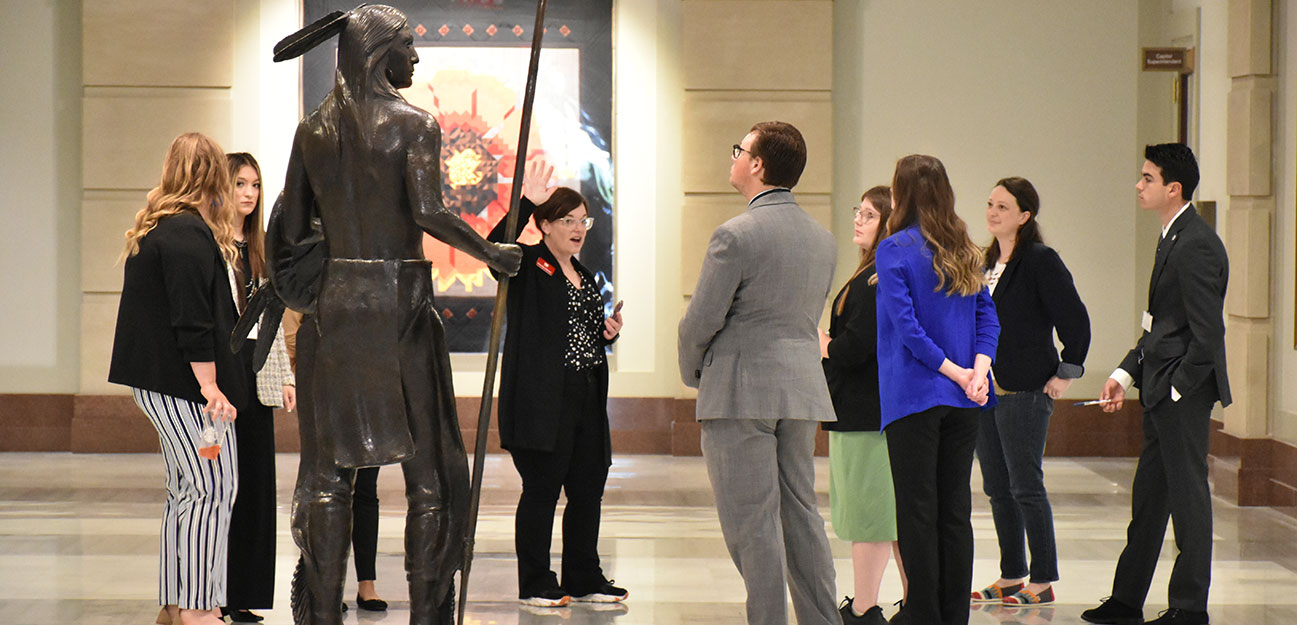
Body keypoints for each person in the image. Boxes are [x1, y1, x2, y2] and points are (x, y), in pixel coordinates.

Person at [266, 6, 523, 625]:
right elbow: (429, 212)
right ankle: (428, 617)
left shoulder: (314, 130)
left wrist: (321, 281)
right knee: (427, 472)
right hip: (399, 306)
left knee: (329, 474)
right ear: (381, 53)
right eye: (409, 45)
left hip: (335, 307)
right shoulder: (414, 124)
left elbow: (290, 230)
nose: (417, 58)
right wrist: (492, 250)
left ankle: (321, 615)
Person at [678, 121, 839, 625]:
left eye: (739, 150)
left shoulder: (736, 234)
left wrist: (692, 371)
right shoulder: (822, 239)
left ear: (758, 165)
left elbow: (703, 319)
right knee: (800, 516)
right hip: (800, 388)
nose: (734, 157)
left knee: (752, 525)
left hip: (740, 390)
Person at [1082, 144, 1230, 625]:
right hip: (1161, 387)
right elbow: (1159, 325)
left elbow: (1207, 335)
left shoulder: (1197, 243)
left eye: (1147, 178)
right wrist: (1126, 373)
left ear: (1174, 188)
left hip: (1180, 394)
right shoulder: (1171, 237)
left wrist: (1176, 388)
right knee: (1149, 498)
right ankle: (1127, 600)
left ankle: (1190, 607)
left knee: (1189, 499)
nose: (1138, 185)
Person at [108, 132, 247, 625]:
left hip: (162, 384)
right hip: (185, 387)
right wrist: (210, 387)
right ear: (213, 176)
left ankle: (176, 603)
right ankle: (198, 607)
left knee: (186, 491)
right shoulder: (188, 234)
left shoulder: (161, 228)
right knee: (213, 487)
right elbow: (193, 320)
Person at [488, 159, 626, 607]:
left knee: (588, 486)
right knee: (543, 489)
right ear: (543, 225)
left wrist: (607, 331)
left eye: (582, 219)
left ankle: (583, 576)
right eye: (567, 219)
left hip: (585, 395)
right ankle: (535, 582)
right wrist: (525, 199)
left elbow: (578, 333)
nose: (578, 227)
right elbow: (494, 247)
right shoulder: (527, 263)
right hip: (542, 399)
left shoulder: (585, 277)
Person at [875, 154, 999, 625]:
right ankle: (953, 614)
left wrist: (956, 371)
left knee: (917, 510)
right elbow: (988, 316)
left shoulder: (894, 249)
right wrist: (977, 371)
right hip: (965, 398)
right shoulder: (965, 246)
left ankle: (922, 612)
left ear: (899, 194)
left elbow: (907, 329)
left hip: (914, 396)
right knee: (954, 511)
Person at [970, 177, 1090, 607]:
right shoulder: (984, 263)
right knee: (997, 487)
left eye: (1003, 207)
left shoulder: (1040, 260)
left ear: (1025, 215)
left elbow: (1074, 319)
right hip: (986, 390)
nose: (992, 213)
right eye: (989, 204)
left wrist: (1066, 372)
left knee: (1026, 486)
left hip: (1026, 389)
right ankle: (1011, 573)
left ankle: (1042, 578)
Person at [820, 186, 907, 625]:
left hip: (866, 412)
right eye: (859, 211)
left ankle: (863, 608)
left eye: (869, 215)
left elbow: (858, 346)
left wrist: (822, 343)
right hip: (867, 411)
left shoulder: (877, 278)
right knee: (887, 517)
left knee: (869, 516)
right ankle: (912, 603)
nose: (858, 219)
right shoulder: (872, 271)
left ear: (888, 223)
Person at [220, 152, 296, 624]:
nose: (248, 194)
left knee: (256, 485)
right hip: (222, 373)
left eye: (254, 185)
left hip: (256, 370)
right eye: (240, 184)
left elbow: (270, 321)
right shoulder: (211, 244)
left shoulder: (258, 249)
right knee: (222, 486)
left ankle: (245, 594)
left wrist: (284, 375)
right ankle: (214, 592)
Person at [279, 313, 387, 614]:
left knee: (366, 489)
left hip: (370, 385)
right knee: (326, 490)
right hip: (324, 386)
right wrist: (300, 372)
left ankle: (367, 583)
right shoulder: (313, 269)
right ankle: (326, 583)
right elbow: (292, 326)